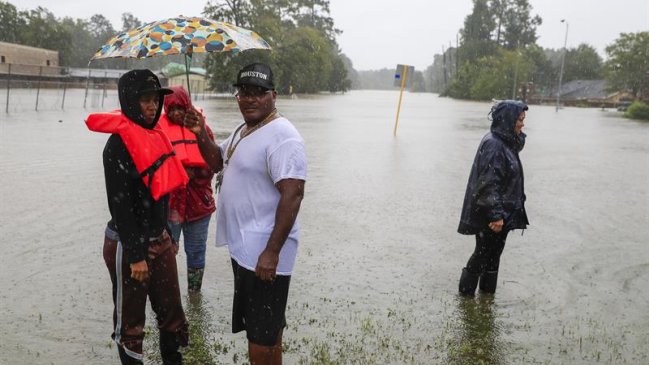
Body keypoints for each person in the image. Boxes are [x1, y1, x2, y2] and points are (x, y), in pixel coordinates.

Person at [185, 63, 306, 365]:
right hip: (245, 250)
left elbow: (293, 195)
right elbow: (216, 161)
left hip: (264, 253)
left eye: (258, 93)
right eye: (243, 92)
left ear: (273, 95)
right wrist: (199, 132)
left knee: (261, 338)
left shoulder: (283, 136)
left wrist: (272, 252)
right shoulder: (246, 129)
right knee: (264, 328)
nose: (249, 99)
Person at [86, 69, 189, 365]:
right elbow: (121, 208)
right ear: (130, 101)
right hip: (128, 245)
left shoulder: (156, 135)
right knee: (131, 324)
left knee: (172, 313)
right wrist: (135, 256)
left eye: (156, 100)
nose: (152, 106)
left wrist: (168, 236)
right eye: (145, 100)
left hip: (160, 239)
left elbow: (163, 194)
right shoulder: (117, 146)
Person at [457, 100, 530, 296]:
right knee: (482, 254)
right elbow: (489, 183)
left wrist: (501, 214)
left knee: (493, 255)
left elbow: (518, 144)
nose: (523, 124)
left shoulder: (505, 141)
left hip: (500, 212)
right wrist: (496, 215)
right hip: (490, 215)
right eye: (520, 120)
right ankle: (465, 299)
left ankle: (486, 301)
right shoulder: (494, 144)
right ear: (508, 120)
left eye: (523, 119)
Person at [159, 85, 216, 293]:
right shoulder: (159, 132)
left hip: (198, 205)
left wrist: (195, 173)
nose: (175, 113)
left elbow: (214, 163)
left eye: (179, 108)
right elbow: (152, 168)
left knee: (196, 252)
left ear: (187, 106)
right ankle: (167, 293)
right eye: (170, 109)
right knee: (165, 251)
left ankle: (194, 293)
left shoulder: (203, 128)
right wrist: (177, 172)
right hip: (170, 205)